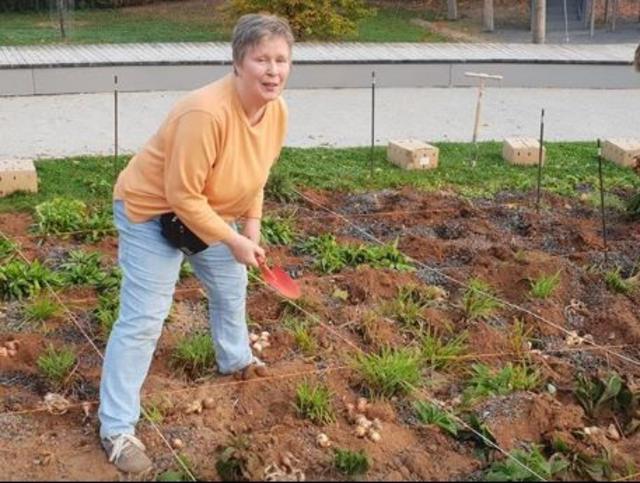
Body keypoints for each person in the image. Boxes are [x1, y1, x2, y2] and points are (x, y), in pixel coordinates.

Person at [98, 13, 293, 474]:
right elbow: (182, 196)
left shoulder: (276, 112)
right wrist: (231, 237)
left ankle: (236, 359)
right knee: (145, 318)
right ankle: (117, 429)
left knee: (230, 287)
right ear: (238, 63)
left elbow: (257, 174)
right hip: (151, 212)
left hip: (208, 213)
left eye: (282, 60)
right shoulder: (205, 113)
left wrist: (251, 226)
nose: (273, 71)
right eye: (261, 59)